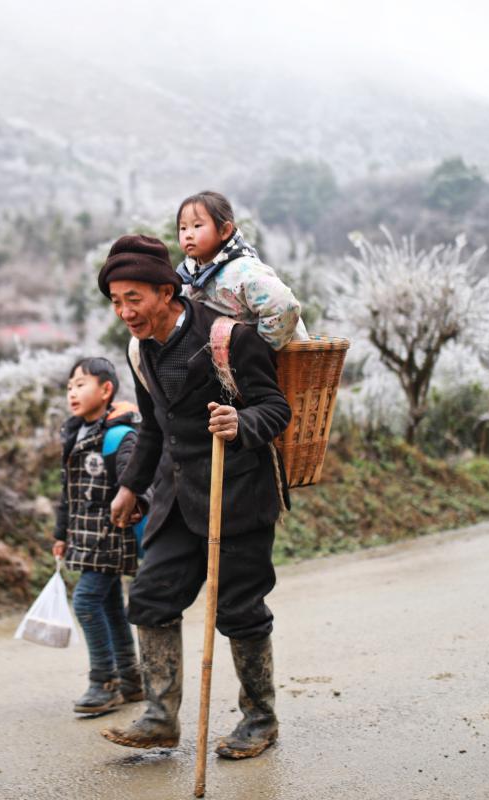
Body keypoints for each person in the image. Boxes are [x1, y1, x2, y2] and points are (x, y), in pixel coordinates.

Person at [95, 233, 292, 759]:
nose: (124, 312)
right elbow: (155, 427)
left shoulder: (228, 337)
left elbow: (276, 408)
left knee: (239, 609)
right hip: (176, 499)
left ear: (166, 291)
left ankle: (260, 719)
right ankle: (160, 718)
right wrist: (130, 486)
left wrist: (241, 419)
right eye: (116, 302)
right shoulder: (140, 350)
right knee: (152, 597)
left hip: (237, 494)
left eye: (133, 299)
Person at [51, 357, 148, 714]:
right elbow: (69, 491)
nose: (72, 393)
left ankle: (103, 681)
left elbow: (135, 478)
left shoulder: (120, 435)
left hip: (111, 536)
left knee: (86, 602)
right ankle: (130, 677)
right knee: (107, 605)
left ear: (106, 390)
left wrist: (134, 499)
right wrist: (61, 533)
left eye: (81, 385)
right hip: (84, 537)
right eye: (69, 387)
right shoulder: (75, 433)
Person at [176, 190, 307, 351]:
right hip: (231, 364)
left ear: (224, 231)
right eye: (183, 228)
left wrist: (259, 350)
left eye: (197, 226)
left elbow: (284, 305)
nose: (188, 234)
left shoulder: (241, 271)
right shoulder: (188, 275)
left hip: (277, 363)